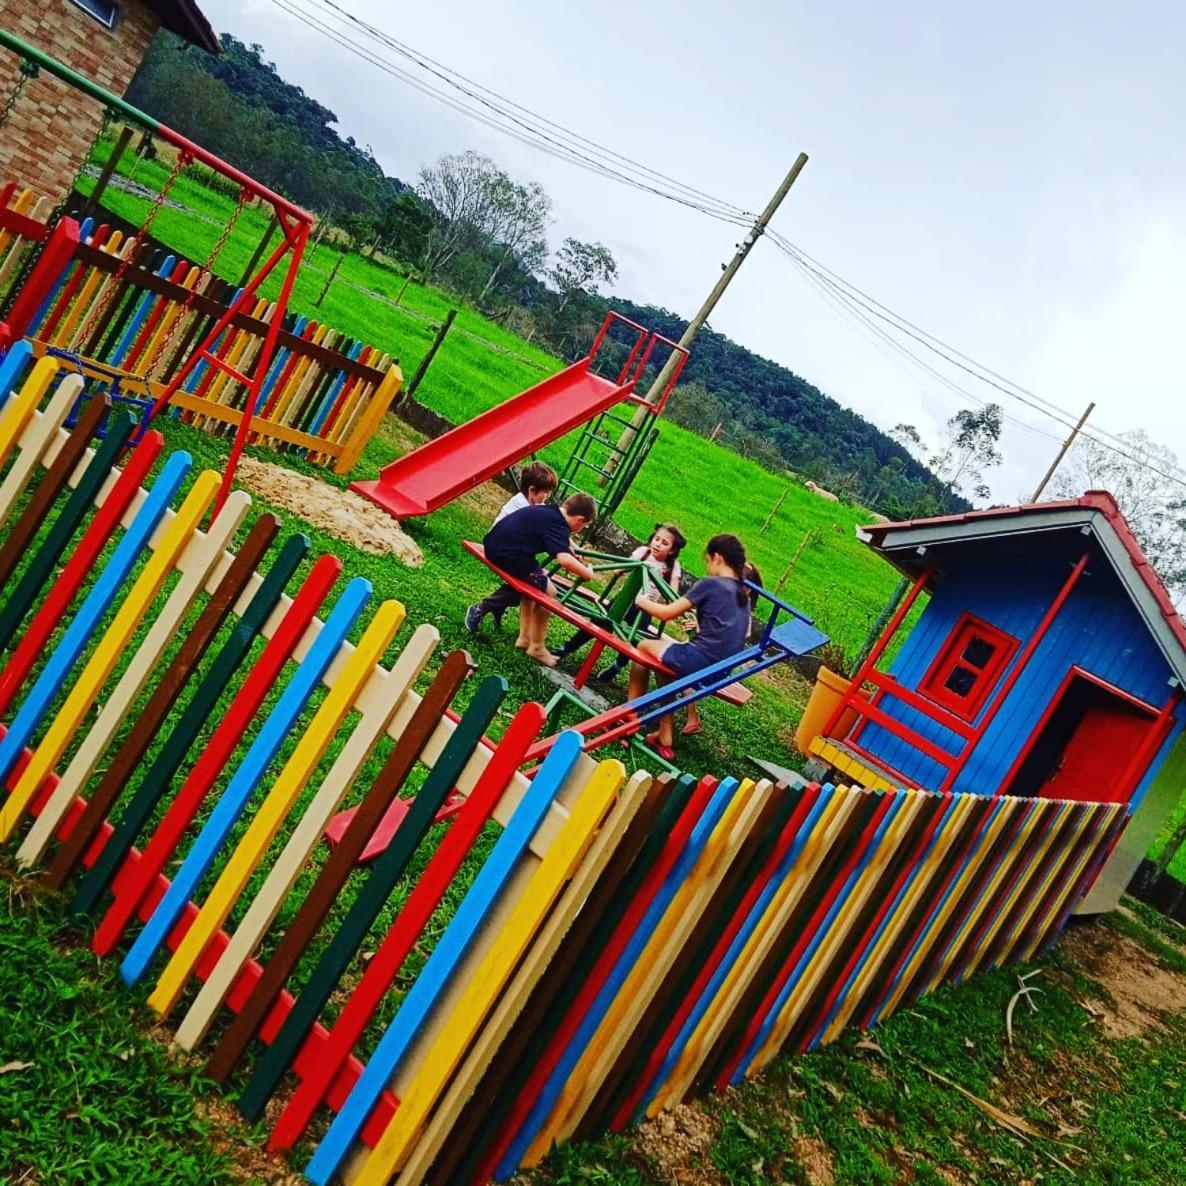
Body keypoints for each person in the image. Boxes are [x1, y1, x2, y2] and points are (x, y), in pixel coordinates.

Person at [627, 533, 751, 760]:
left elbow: (667, 613)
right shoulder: (742, 594)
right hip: (719, 672)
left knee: (644, 646)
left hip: (697, 661)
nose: (708, 567)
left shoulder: (711, 584)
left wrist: (643, 601)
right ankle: (665, 732)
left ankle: (629, 716)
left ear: (717, 558)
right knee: (663, 658)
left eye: (707, 561)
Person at [466, 492, 597, 667]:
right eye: (584, 526)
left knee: (536, 580)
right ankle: (537, 646)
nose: (581, 529)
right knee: (549, 592)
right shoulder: (559, 526)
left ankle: (525, 638)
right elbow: (564, 560)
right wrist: (587, 573)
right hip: (508, 555)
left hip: (496, 544)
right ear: (580, 520)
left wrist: (571, 548)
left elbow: (562, 539)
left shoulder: (550, 511)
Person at [554, 523, 687, 675]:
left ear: (672, 550)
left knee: (635, 639)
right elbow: (624, 566)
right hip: (625, 599)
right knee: (599, 622)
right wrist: (620, 570)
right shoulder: (643, 552)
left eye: (665, 543)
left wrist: (671, 598)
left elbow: (672, 591)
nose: (658, 544)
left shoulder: (672, 567)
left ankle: (618, 666)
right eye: (656, 539)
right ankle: (567, 648)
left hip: (646, 608)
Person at [680, 558, 764, 737]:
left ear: (747, 590)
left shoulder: (743, 617)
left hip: (715, 667)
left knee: (677, 666)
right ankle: (685, 718)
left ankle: (684, 718)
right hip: (706, 660)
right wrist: (695, 628)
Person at [493, 460, 557, 527]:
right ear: (532, 491)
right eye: (546, 492)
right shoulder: (520, 506)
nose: (549, 495)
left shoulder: (534, 502)